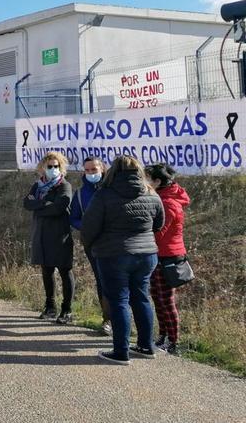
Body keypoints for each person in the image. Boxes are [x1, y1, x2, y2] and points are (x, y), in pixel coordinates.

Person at [82, 155, 165, 365]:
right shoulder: (151, 193)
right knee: (142, 297)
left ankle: (121, 351)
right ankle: (146, 346)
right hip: (146, 254)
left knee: (119, 301)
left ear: (112, 171)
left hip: (113, 254)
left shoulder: (104, 195)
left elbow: (89, 228)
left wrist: (91, 245)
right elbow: (159, 223)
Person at [23, 152, 75, 324]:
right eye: (49, 166)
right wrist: (45, 204)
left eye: (56, 166)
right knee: (46, 270)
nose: (53, 169)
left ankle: (67, 309)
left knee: (65, 271)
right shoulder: (37, 186)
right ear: (42, 168)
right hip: (41, 235)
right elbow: (27, 203)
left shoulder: (64, 186)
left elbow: (60, 207)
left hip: (60, 235)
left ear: (61, 167)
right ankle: (50, 307)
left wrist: (39, 206)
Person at [146, 163, 190, 356]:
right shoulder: (161, 197)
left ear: (157, 181)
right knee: (158, 298)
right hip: (159, 255)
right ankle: (163, 336)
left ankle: (174, 342)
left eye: (147, 178)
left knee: (166, 301)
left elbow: (158, 232)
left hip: (167, 256)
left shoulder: (168, 202)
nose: (144, 181)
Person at [70, 157, 111, 335]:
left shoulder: (112, 189)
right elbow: (73, 217)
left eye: (94, 169)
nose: (91, 173)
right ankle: (107, 319)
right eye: (87, 170)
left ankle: (124, 318)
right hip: (92, 242)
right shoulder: (80, 193)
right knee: (102, 279)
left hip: (114, 241)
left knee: (119, 280)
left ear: (102, 168)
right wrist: (86, 228)